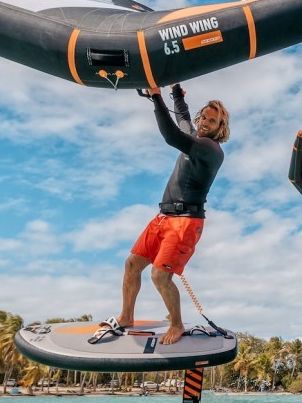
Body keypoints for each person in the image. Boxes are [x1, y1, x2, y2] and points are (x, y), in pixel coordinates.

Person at [93, 84, 230, 346]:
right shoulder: (196, 136)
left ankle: (176, 324)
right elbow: (182, 119)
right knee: (132, 264)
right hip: (163, 218)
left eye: (212, 121)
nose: (205, 123)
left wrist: (156, 95)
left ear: (219, 128)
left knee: (159, 275)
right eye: (204, 117)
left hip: (186, 224)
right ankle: (126, 317)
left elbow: (171, 135)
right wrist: (177, 93)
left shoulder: (211, 150)